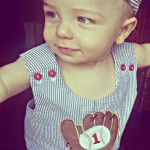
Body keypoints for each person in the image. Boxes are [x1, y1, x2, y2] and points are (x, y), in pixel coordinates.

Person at [0, 0, 150, 149]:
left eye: (82, 19)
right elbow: (4, 81)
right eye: (52, 14)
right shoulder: (41, 63)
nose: (61, 31)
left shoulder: (126, 58)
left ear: (122, 30)